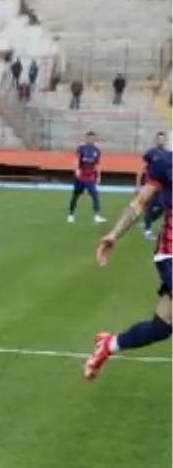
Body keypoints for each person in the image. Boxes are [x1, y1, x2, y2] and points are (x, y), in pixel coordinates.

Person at [83, 145, 173, 380]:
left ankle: (109, 344)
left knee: (162, 327)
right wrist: (114, 234)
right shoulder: (166, 163)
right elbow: (140, 202)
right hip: (170, 253)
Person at [68, 130, 106, 224]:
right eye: (89, 137)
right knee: (76, 195)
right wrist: (76, 170)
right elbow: (76, 160)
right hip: (80, 176)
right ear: (86, 138)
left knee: (95, 195)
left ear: (95, 139)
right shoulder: (81, 148)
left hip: (90, 177)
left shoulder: (96, 150)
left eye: (93, 138)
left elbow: (97, 164)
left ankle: (96, 216)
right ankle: (71, 215)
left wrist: (98, 176)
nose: (91, 139)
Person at [138, 131, 167, 241]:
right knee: (149, 207)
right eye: (159, 139)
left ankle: (147, 221)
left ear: (165, 140)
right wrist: (138, 184)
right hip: (150, 185)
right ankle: (147, 231)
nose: (161, 141)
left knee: (161, 207)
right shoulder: (151, 153)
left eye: (162, 139)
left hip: (161, 187)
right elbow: (143, 168)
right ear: (156, 140)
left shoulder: (167, 154)